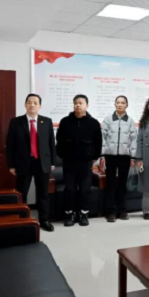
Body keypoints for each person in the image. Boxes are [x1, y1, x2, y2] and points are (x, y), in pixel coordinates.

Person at [6, 94, 56, 232]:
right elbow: (10, 145)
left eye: (35, 103)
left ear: (39, 106)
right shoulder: (16, 122)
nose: (32, 105)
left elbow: (51, 143)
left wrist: (52, 162)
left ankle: (44, 220)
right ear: (25, 105)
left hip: (42, 163)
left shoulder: (46, 121)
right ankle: (21, 219)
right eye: (29, 102)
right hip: (23, 163)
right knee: (22, 193)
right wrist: (11, 165)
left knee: (43, 194)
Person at [56, 94, 102, 227]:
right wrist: (63, 155)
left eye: (81, 103)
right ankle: (69, 214)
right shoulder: (65, 121)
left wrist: (94, 157)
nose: (78, 105)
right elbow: (59, 141)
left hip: (85, 162)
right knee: (69, 189)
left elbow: (98, 142)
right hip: (69, 162)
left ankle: (83, 214)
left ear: (87, 105)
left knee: (84, 190)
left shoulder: (93, 123)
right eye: (76, 103)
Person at [100, 96, 138, 223]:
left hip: (125, 157)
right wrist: (102, 156)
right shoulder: (108, 120)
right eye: (118, 102)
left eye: (122, 103)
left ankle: (122, 210)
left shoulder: (130, 121)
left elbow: (134, 140)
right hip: (110, 156)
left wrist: (133, 156)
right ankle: (110, 212)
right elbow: (102, 139)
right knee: (110, 184)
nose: (120, 104)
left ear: (127, 105)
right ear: (115, 104)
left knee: (122, 184)